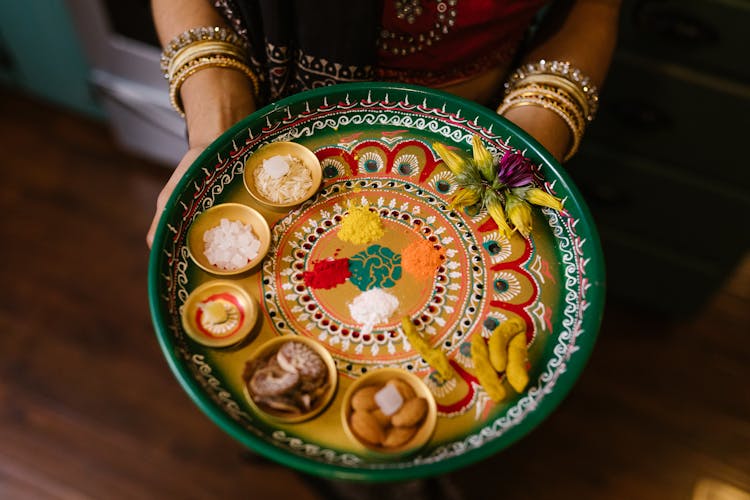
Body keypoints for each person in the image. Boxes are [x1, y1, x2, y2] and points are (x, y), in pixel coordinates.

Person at [147, 0, 621, 250]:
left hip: (466, 151)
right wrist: (218, 136)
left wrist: (521, 149)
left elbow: (593, 5)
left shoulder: (498, 158)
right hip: (267, 129)